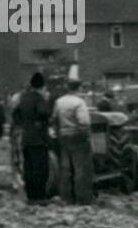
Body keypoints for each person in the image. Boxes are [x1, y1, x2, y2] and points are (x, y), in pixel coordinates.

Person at [52, 79, 94, 205]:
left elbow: (54, 119)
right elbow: (84, 122)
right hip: (78, 137)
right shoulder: (79, 102)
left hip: (64, 136)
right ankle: (82, 199)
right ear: (79, 88)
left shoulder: (59, 101)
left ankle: (66, 198)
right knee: (80, 168)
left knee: (66, 167)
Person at [15, 72, 53, 203]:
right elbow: (44, 112)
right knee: (40, 169)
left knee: (28, 168)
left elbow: (16, 114)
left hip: (26, 138)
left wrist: (25, 124)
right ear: (42, 86)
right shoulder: (39, 98)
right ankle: (40, 196)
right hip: (38, 139)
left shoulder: (23, 97)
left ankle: (30, 195)